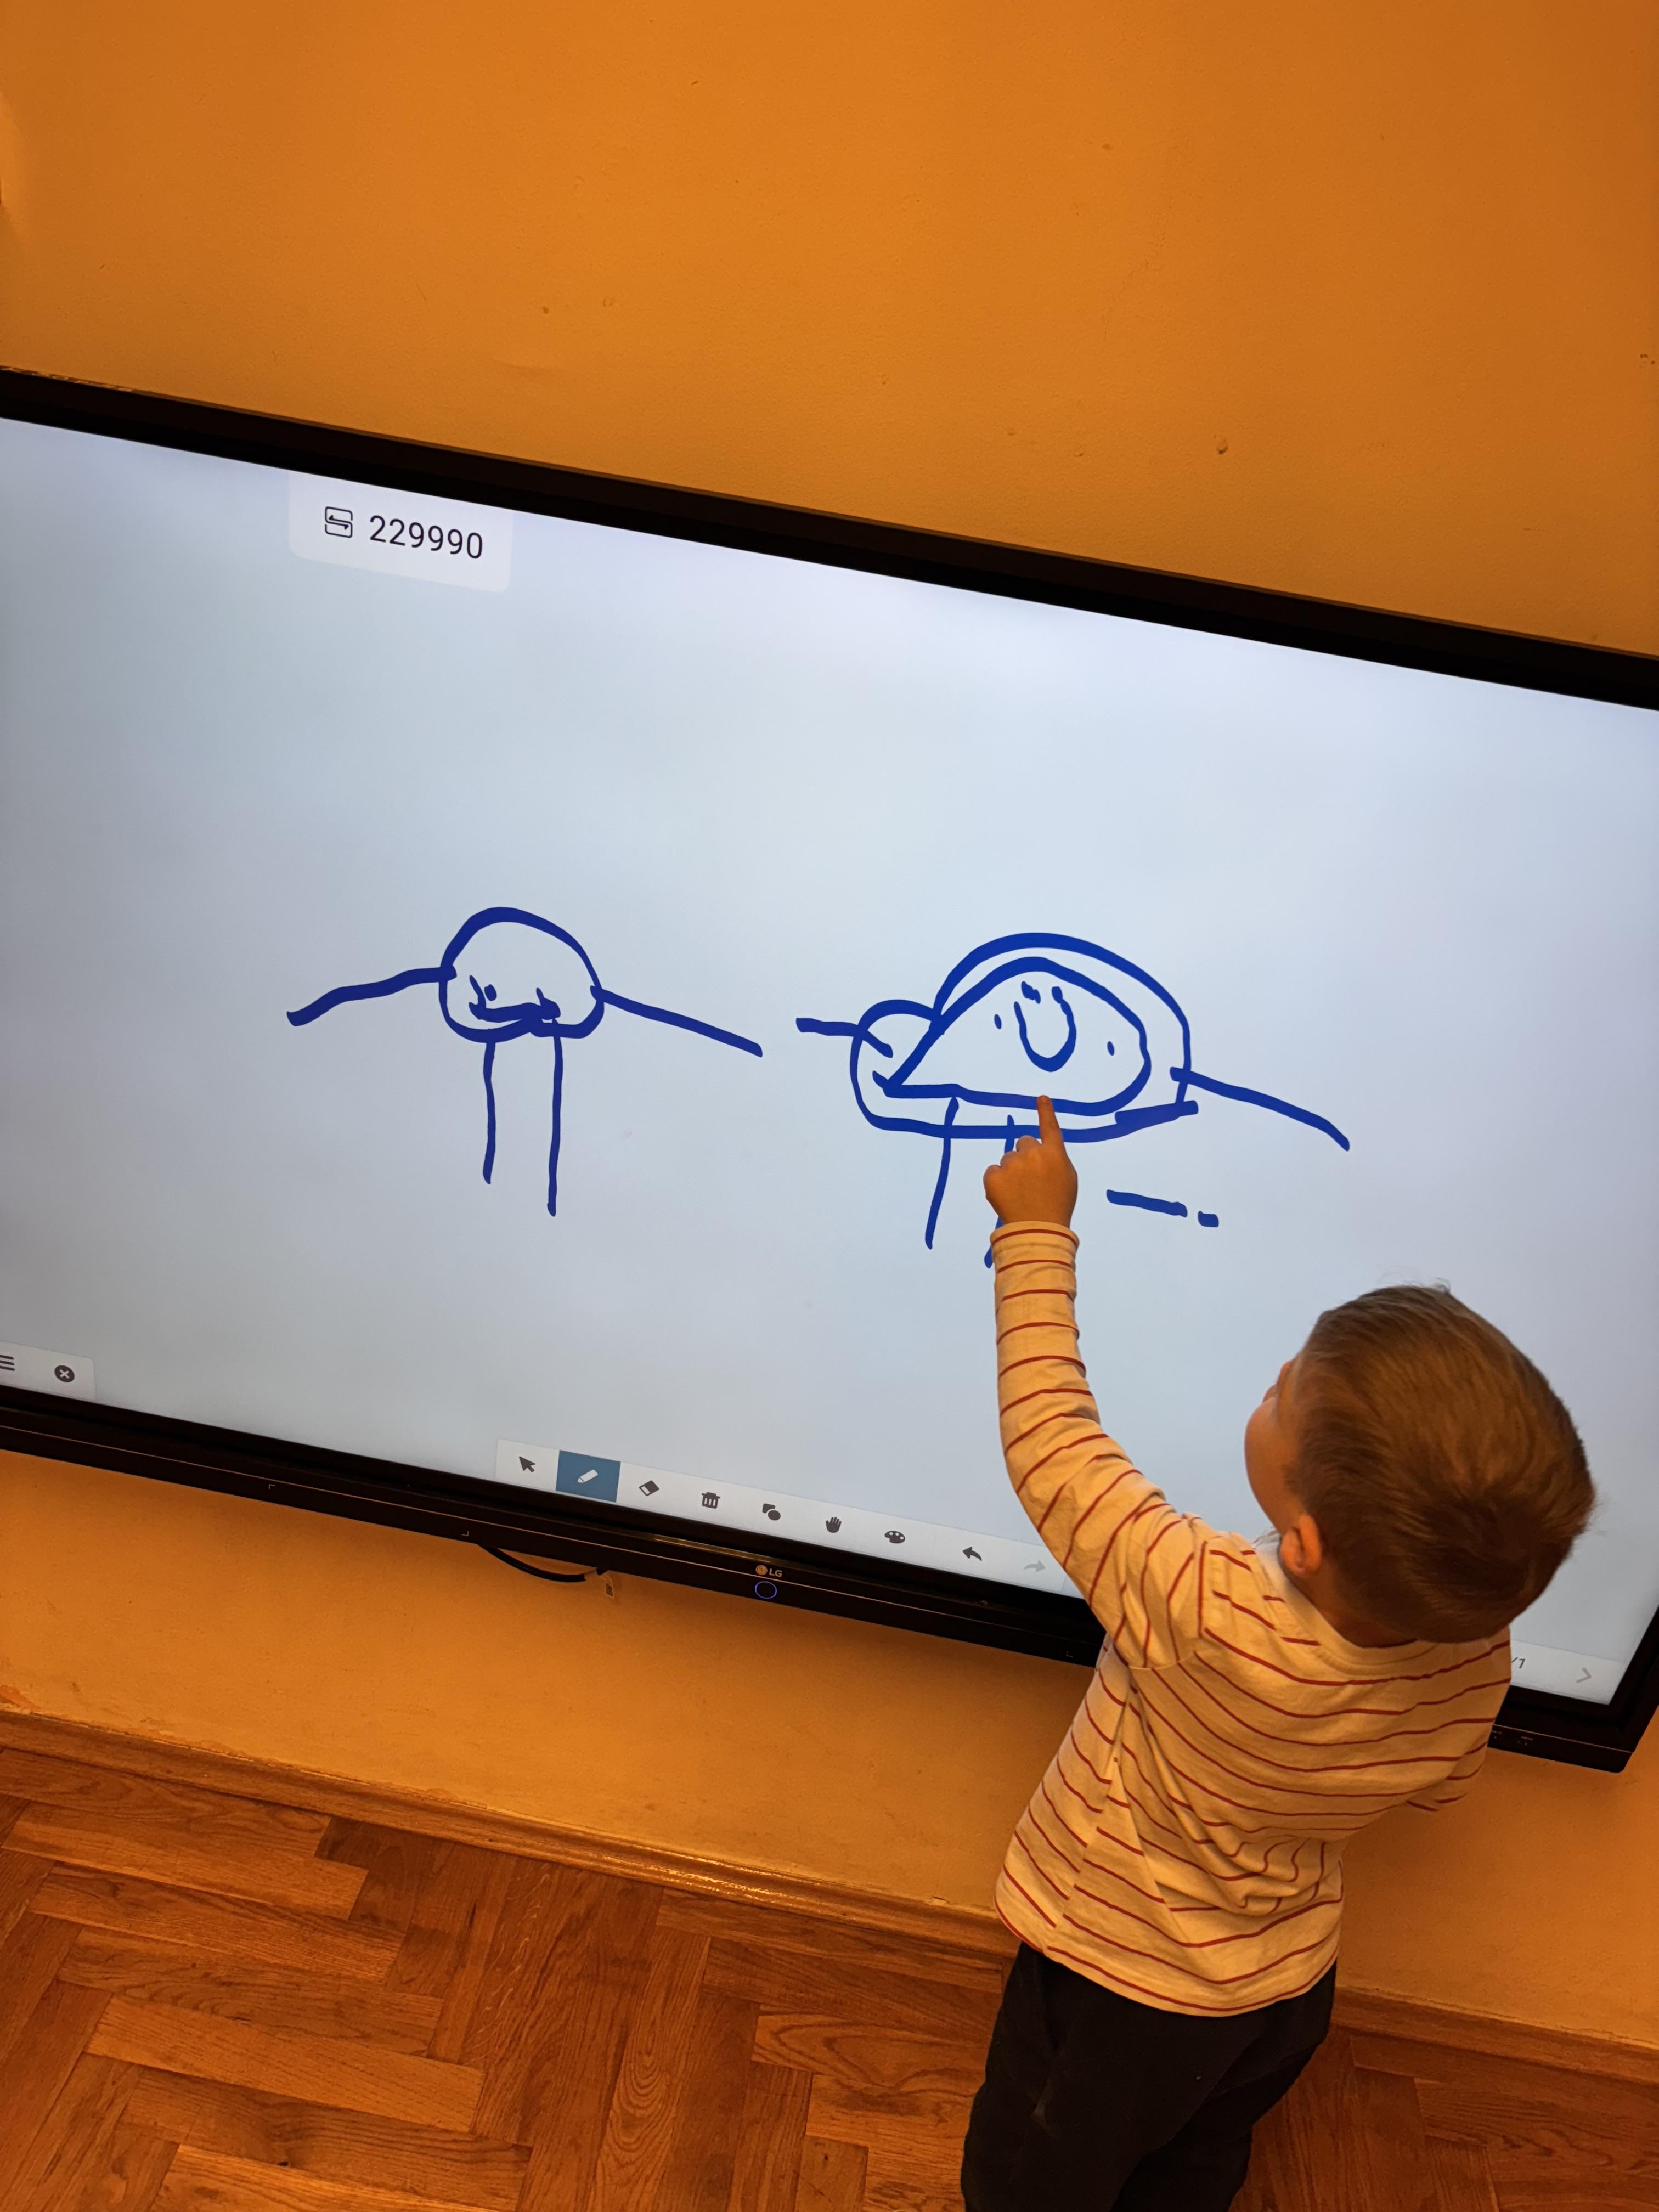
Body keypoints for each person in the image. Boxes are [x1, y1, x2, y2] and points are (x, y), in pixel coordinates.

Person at [961, 1098, 1594, 2212]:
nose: (1270, 1387)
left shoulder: (1204, 1606)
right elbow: (1440, 1787)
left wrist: (1037, 1232)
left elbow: (1053, 1444)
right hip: (1281, 1994)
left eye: (1280, 1393)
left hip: (1115, 1983)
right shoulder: (1472, 1655)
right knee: (1192, 2162)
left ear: (1304, 1543)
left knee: (1034, 2178)